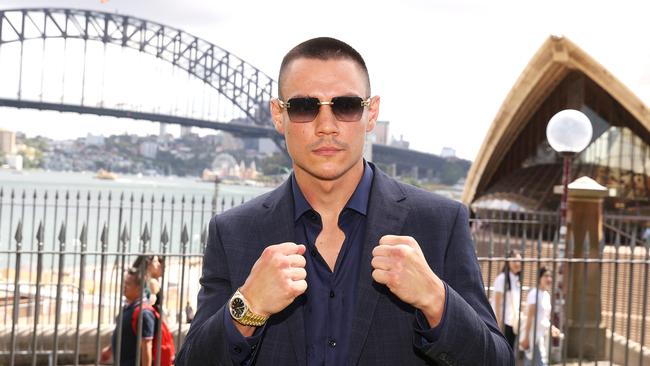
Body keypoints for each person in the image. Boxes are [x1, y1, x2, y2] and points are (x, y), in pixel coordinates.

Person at [176, 37, 513, 366]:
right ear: (278, 115)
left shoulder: (440, 223)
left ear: (371, 114)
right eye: (305, 107)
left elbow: (496, 360)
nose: (327, 126)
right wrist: (247, 307)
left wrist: (436, 300)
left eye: (347, 106)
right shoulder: (232, 232)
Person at [100, 268, 155, 366]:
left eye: (128, 284)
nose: (124, 287)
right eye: (124, 283)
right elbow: (123, 333)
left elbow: (147, 346)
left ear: (139, 288)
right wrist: (110, 350)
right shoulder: (128, 307)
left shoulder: (144, 313)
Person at [520, 266, 562, 366]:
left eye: (550, 276)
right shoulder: (534, 293)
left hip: (542, 336)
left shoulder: (546, 295)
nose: (549, 279)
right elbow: (530, 316)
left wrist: (552, 328)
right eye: (546, 276)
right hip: (532, 336)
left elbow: (544, 318)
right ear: (539, 278)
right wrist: (526, 338)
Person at [491, 249, 522, 348]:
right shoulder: (502, 278)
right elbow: (497, 303)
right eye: (515, 261)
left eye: (520, 261)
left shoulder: (517, 279)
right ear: (508, 262)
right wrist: (499, 325)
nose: (518, 263)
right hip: (503, 323)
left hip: (513, 322)